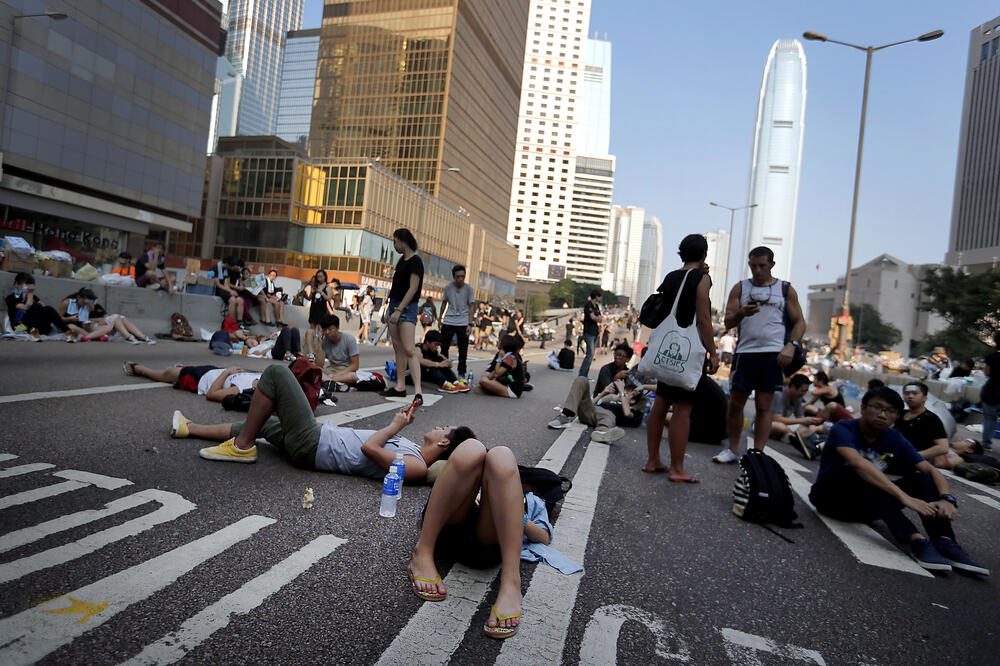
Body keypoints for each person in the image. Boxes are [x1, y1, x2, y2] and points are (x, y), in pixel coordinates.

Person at [173, 364, 474, 480]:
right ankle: (192, 429)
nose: (438, 426)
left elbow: (370, 448)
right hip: (316, 438)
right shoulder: (414, 451)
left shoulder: (418, 467)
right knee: (262, 423)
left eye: (443, 429)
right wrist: (400, 428)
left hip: (313, 446)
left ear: (445, 442)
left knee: (277, 373)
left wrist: (396, 426)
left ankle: (241, 448)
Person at [808, 386, 988, 574]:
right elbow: (858, 463)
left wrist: (946, 498)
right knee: (873, 481)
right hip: (829, 500)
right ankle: (916, 540)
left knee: (921, 479)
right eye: (878, 407)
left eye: (891, 411)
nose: (883, 414)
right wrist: (905, 498)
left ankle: (945, 542)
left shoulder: (894, 438)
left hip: (865, 507)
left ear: (897, 416)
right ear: (863, 407)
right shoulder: (844, 428)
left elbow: (931, 470)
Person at [406, 439, 536, 639]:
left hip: (488, 538)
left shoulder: (517, 487)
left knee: (502, 455)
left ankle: (511, 582)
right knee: (471, 447)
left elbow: (541, 535)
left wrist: (516, 512)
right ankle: (422, 552)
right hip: (447, 525)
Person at [715, 246, 805, 464]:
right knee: (736, 404)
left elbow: (800, 322)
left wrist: (791, 346)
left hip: (773, 355)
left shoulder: (785, 290)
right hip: (745, 353)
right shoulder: (740, 287)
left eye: (762, 266)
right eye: (753, 265)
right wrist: (741, 313)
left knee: (764, 407)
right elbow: (727, 321)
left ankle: (757, 453)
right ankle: (733, 450)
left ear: (771, 265)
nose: (757, 270)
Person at [642, 234, 720, 482]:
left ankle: (653, 460)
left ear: (681, 253)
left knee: (661, 402)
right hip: (686, 351)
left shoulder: (671, 276)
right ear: (704, 253)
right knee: (683, 408)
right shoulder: (702, 279)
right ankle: (677, 468)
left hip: (666, 347)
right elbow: (704, 319)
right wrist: (714, 351)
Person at [382, 228, 424, 403]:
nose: (394, 245)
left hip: (407, 307)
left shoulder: (416, 261)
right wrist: (389, 307)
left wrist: (399, 310)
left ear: (403, 241)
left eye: (395, 242)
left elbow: (413, 288)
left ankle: (418, 391)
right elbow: (396, 286)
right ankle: (400, 387)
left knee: (409, 349)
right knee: (397, 347)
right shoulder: (401, 260)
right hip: (394, 304)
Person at [547, 374, 650, 443]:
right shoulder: (611, 399)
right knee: (581, 379)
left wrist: (622, 391)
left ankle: (602, 433)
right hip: (590, 412)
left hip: (606, 417)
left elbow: (627, 414)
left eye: (626, 394)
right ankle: (566, 415)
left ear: (632, 401)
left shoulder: (635, 412)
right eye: (621, 392)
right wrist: (602, 394)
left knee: (608, 414)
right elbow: (590, 405)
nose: (621, 394)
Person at [5, 272, 86, 342]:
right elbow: (26, 308)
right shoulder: (11, 298)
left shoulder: (34, 297)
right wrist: (30, 293)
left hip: (41, 327)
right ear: (16, 284)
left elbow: (43, 308)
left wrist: (36, 301)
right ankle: (33, 332)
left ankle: (68, 332)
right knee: (35, 306)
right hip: (21, 328)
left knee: (48, 308)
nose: (28, 287)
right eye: (25, 284)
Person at [124, 362, 260, 403]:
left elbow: (212, 394)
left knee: (167, 374)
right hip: (213, 370)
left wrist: (226, 373)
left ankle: (139, 369)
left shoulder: (241, 388)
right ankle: (178, 370)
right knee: (176, 371)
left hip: (200, 379)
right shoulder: (261, 377)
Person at [58, 288, 154, 344]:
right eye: (86, 301)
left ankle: (88, 337)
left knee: (109, 326)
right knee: (72, 327)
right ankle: (129, 337)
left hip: (86, 327)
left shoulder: (88, 306)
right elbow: (58, 319)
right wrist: (70, 318)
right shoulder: (67, 303)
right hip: (72, 325)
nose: (86, 303)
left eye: (89, 301)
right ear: (79, 297)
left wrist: (91, 318)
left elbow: (88, 318)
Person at [769, 374, 825, 456]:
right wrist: (803, 420)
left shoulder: (797, 397)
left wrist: (810, 422)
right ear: (793, 387)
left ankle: (792, 437)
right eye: (802, 391)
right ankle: (796, 438)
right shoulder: (779, 394)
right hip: (768, 423)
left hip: (784, 426)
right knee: (780, 427)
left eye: (806, 391)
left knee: (808, 427)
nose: (804, 394)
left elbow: (800, 417)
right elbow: (777, 419)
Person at [894, 383, 951, 462]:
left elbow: (943, 448)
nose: (910, 396)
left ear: (924, 398)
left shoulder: (931, 419)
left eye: (915, 393)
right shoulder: (899, 414)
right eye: (907, 393)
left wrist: (914, 455)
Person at [438, 265, 476, 378]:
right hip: (449, 320)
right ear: (454, 277)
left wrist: (470, 323)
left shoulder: (469, 289)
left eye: (462, 277)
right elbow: (444, 303)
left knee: (463, 349)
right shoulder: (448, 287)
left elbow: (472, 306)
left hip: (463, 322)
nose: (460, 279)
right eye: (458, 276)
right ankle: (444, 371)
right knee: (444, 347)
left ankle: (461, 373)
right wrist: (440, 319)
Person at [316, 314, 360, 386]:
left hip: (345, 370)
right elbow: (319, 364)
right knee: (315, 371)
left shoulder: (349, 339)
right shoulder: (324, 340)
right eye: (324, 330)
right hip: (331, 369)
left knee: (352, 376)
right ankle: (330, 381)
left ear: (337, 328)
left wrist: (334, 376)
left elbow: (355, 365)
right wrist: (320, 343)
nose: (327, 332)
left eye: (330, 329)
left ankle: (328, 381)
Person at [479, 334, 526, 399]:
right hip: (507, 383)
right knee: (486, 377)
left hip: (513, 391)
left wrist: (499, 358)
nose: (499, 342)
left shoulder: (510, 358)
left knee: (483, 381)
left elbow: (497, 373)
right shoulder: (508, 355)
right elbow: (494, 371)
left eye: (501, 341)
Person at [305, 270, 335, 359]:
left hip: (322, 310)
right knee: (312, 329)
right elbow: (309, 297)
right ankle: (311, 351)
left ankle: (321, 351)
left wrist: (321, 292)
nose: (319, 278)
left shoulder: (327, 287)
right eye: (318, 276)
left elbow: (329, 298)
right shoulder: (315, 286)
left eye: (321, 276)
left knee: (321, 330)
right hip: (314, 309)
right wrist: (313, 291)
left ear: (325, 277)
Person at [981, 331, 1000, 451]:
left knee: (989, 418)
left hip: (992, 390)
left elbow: (987, 372)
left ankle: (986, 444)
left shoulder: (992, 356)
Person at [579, 290, 602, 377]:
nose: (600, 298)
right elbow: (593, 317)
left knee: (591, 355)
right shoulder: (588, 304)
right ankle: (583, 375)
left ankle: (583, 373)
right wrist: (596, 318)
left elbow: (600, 318)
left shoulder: (596, 306)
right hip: (589, 332)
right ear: (596, 296)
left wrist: (596, 318)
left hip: (595, 332)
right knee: (590, 354)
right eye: (600, 296)